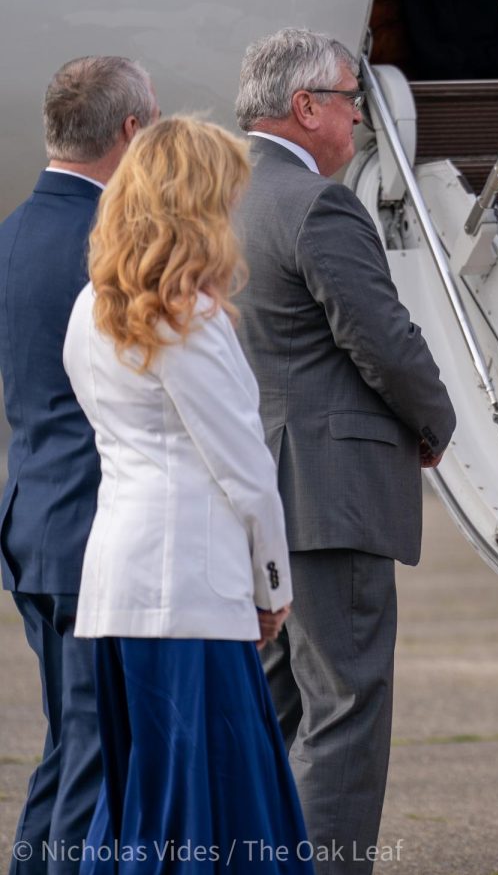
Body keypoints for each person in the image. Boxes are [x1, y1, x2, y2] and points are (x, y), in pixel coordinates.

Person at [233, 28, 457, 875]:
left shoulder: (226, 195)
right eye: (348, 99)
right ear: (304, 108)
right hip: (331, 494)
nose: (360, 116)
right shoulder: (317, 203)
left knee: (276, 706)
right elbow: (384, 340)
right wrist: (436, 423)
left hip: (262, 486)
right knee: (346, 708)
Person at [62, 117, 311, 874]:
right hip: (190, 590)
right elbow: (245, 470)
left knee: (145, 797)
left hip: (118, 582)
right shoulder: (188, 321)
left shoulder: (89, 311)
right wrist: (274, 582)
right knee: (209, 810)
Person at [0, 56, 158, 875]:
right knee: (94, 753)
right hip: (90, 534)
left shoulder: (12, 231)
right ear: (129, 132)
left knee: (70, 742)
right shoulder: (112, 245)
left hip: (30, 522)